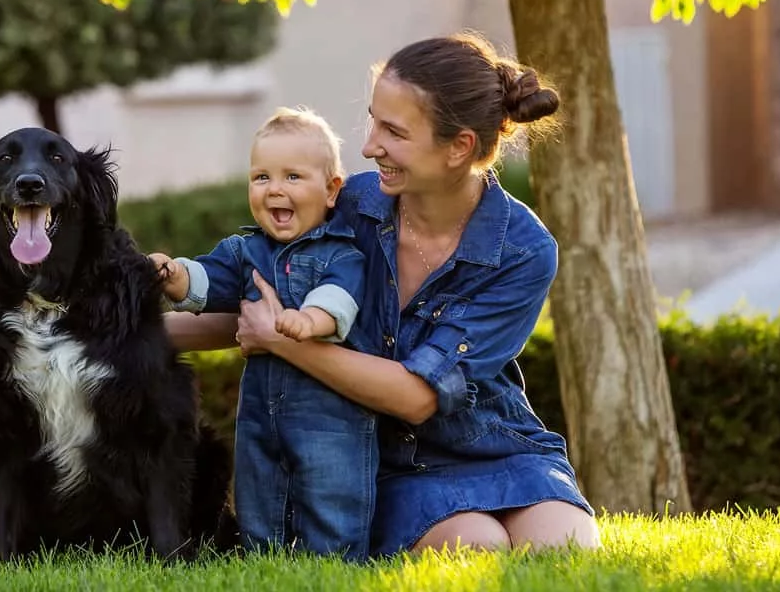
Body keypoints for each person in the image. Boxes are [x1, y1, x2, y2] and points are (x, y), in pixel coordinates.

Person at [161, 33, 602, 556]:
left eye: (393, 131)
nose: (370, 146)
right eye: (373, 121)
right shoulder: (348, 206)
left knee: (565, 548)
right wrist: (110, 334)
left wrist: (284, 343)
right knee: (477, 547)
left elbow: (418, 396)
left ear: (459, 147)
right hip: (381, 459)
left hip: (498, 446)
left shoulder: (523, 249)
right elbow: (258, 305)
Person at [150, 106, 376, 561]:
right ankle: (263, 558)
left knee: (332, 492)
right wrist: (174, 275)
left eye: (293, 177)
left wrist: (310, 320)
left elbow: (341, 299)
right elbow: (208, 280)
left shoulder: (340, 253)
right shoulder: (245, 250)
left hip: (331, 418)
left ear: (332, 190)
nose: (275, 189)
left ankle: (334, 561)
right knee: (258, 487)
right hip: (259, 414)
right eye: (261, 178)